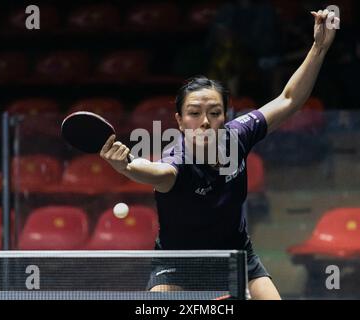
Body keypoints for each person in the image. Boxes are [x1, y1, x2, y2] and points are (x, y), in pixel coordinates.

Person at [100, 9, 338, 300]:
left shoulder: (238, 136)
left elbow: (289, 99)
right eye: (194, 113)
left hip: (236, 256)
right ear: (179, 120)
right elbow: (158, 172)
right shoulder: (177, 158)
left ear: (225, 116)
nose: (204, 121)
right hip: (178, 264)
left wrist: (319, 47)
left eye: (214, 113)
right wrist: (125, 166)